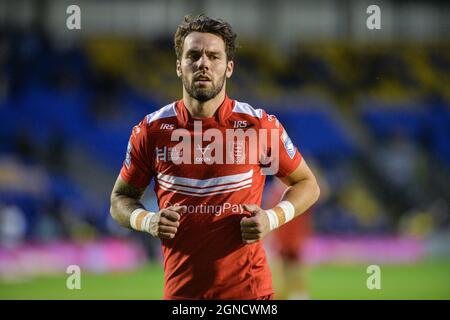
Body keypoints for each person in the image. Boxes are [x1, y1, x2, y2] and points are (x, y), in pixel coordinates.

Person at [110, 14, 320, 300]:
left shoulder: (258, 126)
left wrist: (272, 218)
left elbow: (307, 184)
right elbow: (120, 199)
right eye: (193, 55)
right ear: (178, 66)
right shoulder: (152, 130)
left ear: (229, 67)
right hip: (182, 296)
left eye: (214, 56)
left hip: (251, 295)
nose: (203, 63)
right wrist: (148, 221)